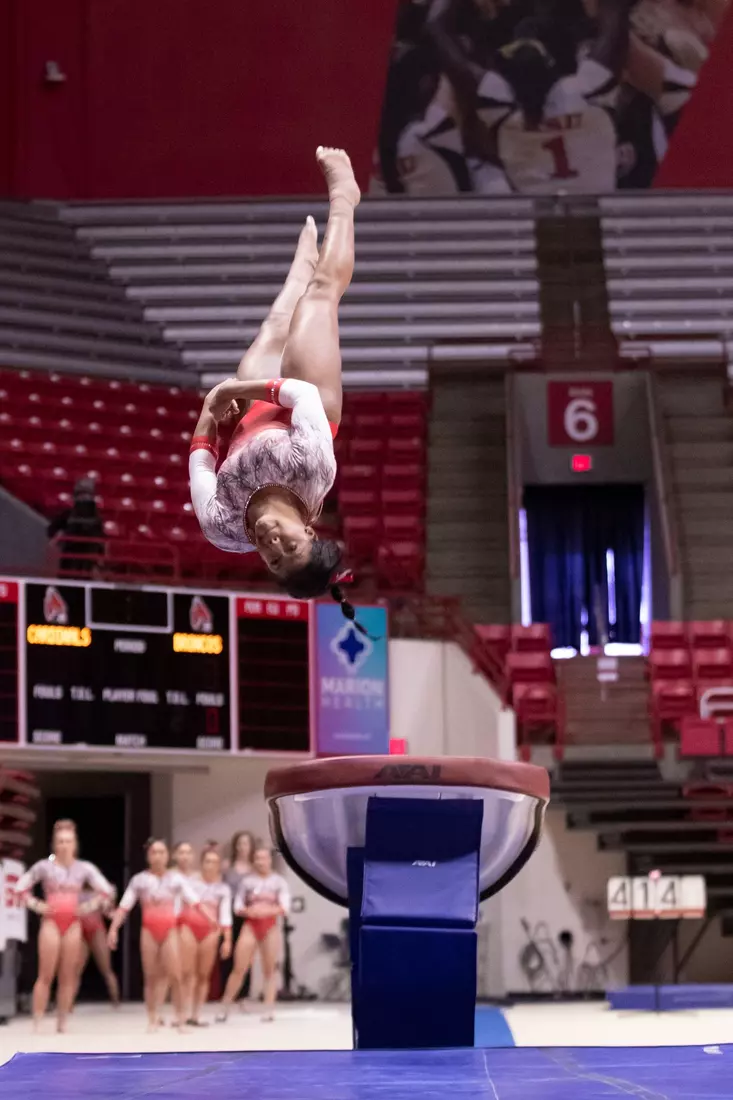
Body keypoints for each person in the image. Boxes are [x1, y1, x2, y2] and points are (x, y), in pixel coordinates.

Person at [188, 146, 364, 621]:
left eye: (272, 559)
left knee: (277, 321)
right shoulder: (314, 472)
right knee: (319, 299)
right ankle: (345, 198)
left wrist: (212, 415)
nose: (273, 546)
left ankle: (302, 260)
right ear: (308, 532)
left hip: (254, 421)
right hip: (309, 409)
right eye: (289, 547)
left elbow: (201, 462)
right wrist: (233, 393)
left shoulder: (222, 527)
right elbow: (301, 395)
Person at [426, 0, 636, 193]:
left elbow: (436, 27)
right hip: (599, 219)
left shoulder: (500, 106)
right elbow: (615, 13)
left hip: (535, 225)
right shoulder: (589, 90)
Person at [14, 818, 115, 1032]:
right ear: (54, 844)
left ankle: (62, 1022)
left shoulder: (84, 868)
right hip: (51, 922)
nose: (64, 845)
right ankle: (38, 1021)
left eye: (68, 841)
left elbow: (107, 891)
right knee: (46, 974)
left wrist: (88, 907)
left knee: (68, 975)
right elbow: (19, 888)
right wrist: (37, 905)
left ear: (75, 844)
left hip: (73, 923)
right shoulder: (44, 866)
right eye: (60, 841)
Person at [107, 838, 209, 1031]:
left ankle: (180, 1017)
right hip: (149, 931)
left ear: (167, 856)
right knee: (151, 977)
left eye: (162, 852)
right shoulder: (139, 880)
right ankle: (152, 1018)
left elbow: (195, 902)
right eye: (154, 852)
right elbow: (124, 907)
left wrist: (212, 920)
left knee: (176, 975)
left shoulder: (176, 879)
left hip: (169, 930)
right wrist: (113, 929)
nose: (158, 856)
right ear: (148, 856)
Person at [216, 846, 291, 1023]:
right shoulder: (247, 882)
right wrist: (251, 912)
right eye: (257, 858)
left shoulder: (279, 882)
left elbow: (285, 907)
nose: (260, 862)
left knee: (269, 970)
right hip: (251, 926)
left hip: (270, 926)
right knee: (239, 968)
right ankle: (224, 1006)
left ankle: (268, 1009)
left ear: (270, 860)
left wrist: (266, 911)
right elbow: (238, 906)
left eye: (263, 858)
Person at [177, 845, 232, 1026]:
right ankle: (182, 1014)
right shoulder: (190, 882)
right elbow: (183, 904)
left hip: (211, 931)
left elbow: (225, 915)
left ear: (219, 866)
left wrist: (227, 940)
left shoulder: (223, 889)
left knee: (203, 974)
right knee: (187, 973)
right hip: (189, 927)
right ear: (201, 863)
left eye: (214, 862)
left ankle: (196, 1014)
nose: (210, 865)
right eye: (207, 861)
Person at [220, 830, 256, 1006]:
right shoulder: (228, 866)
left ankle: (243, 994)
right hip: (229, 913)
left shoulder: (254, 868)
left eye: (246, 843)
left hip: (248, 913)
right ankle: (227, 993)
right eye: (240, 843)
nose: (243, 847)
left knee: (246, 955)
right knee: (228, 952)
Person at [72, 888, 120, 1009]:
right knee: (75, 970)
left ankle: (116, 1000)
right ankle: (68, 1003)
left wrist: (113, 907)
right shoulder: (73, 890)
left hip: (96, 930)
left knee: (106, 969)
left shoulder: (99, 893)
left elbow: (109, 912)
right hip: (80, 930)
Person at [47, 476, 105, 576]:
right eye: (81, 494)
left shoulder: (97, 519)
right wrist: (58, 535)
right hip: (69, 560)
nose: (84, 498)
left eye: (87, 495)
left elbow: (100, 539)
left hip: (86, 563)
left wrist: (99, 556)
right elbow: (51, 530)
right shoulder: (67, 515)